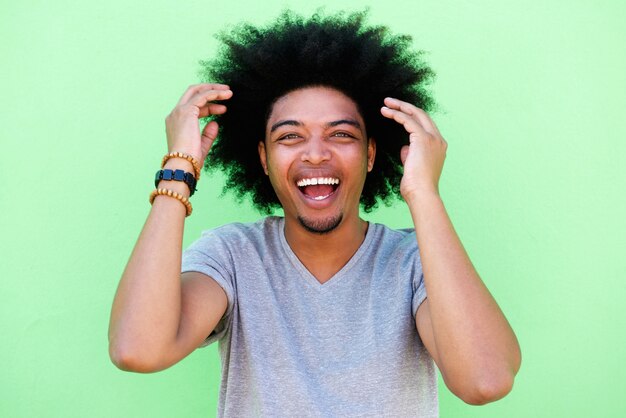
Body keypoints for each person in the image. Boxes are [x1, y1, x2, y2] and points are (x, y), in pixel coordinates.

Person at [108, 10, 521, 417]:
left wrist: (424, 193)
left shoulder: (415, 262)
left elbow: (484, 380)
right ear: (264, 159)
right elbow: (138, 349)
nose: (316, 153)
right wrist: (179, 170)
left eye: (341, 134)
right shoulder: (232, 257)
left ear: (372, 154)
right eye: (290, 136)